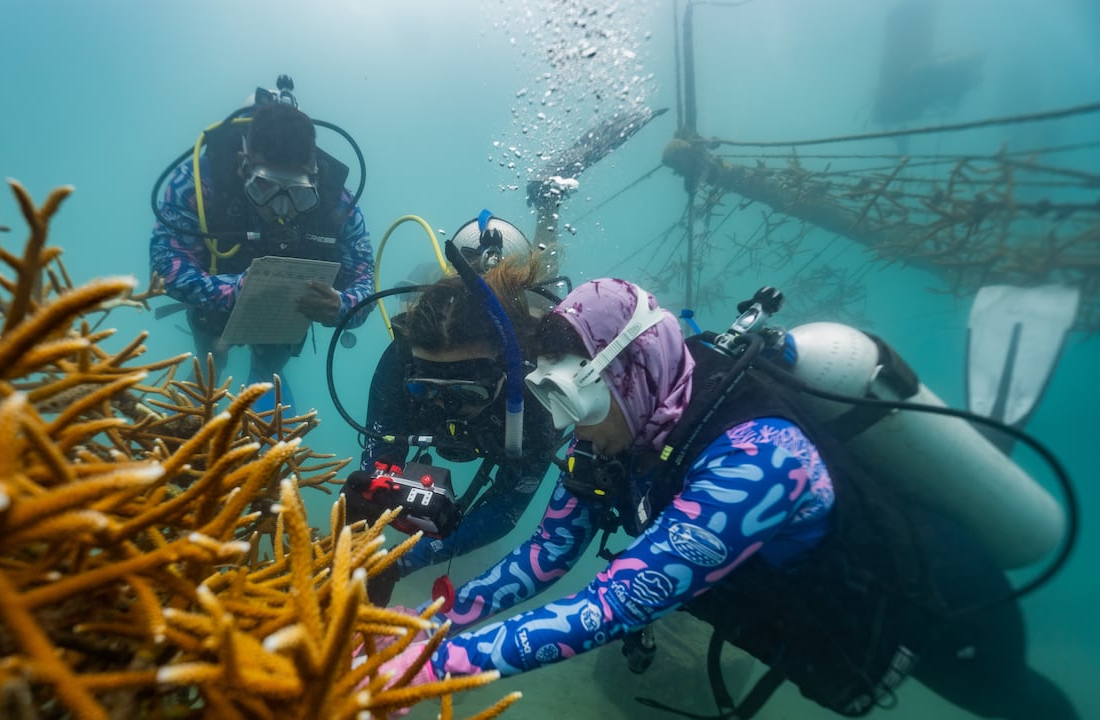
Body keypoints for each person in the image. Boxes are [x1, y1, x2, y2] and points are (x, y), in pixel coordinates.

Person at [376, 278, 1078, 719]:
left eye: (573, 396)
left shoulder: (762, 457)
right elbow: (546, 554)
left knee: (1012, 703)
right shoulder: (612, 434)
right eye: (546, 396)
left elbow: (616, 602)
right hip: (845, 621)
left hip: (944, 609)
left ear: (628, 372)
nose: (563, 422)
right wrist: (431, 621)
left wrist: (420, 669)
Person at [340, 233, 562, 606]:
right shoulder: (398, 364)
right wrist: (362, 527)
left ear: (507, 373)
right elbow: (376, 466)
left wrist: (401, 563)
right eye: (425, 390)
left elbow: (506, 508)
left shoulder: (537, 395)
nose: (445, 408)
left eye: (466, 394)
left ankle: (546, 220)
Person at [149, 88, 373, 406]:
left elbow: (366, 279)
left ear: (315, 173)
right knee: (211, 360)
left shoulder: (339, 200)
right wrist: (234, 292)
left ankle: (264, 393)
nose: (280, 209)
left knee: (270, 369)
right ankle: (201, 399)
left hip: (283, 323)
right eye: (265, 187)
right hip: (213, 312)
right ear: (244, 164)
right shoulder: (198, 182)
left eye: (298, 193)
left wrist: (341, 305)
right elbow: (164, 263)